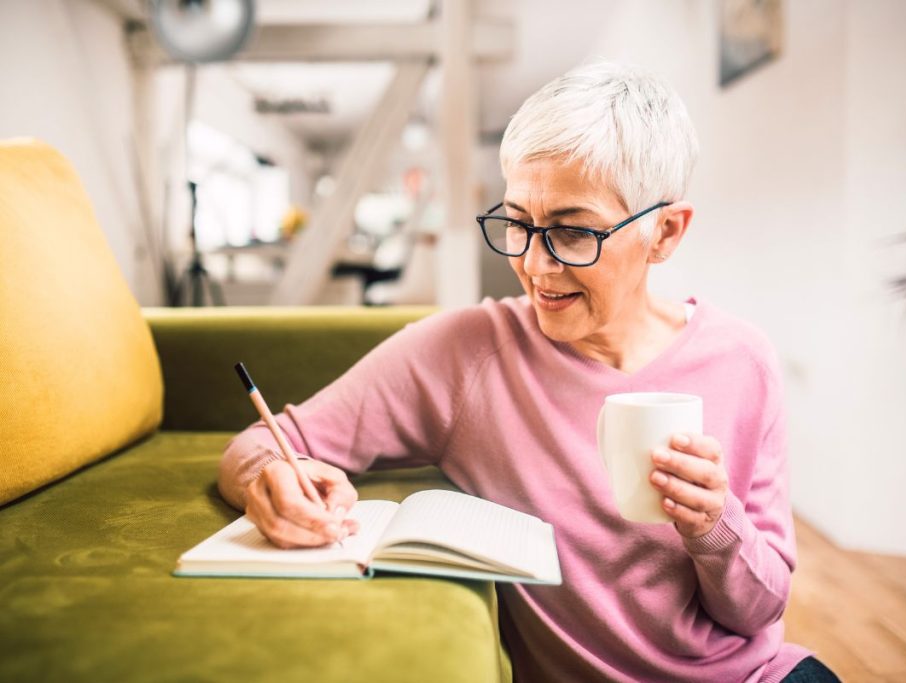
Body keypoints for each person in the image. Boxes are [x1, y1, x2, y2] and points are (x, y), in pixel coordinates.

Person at [218, 61, 840, 683]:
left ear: (666, 233)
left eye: (572, 232)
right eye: (517, 222)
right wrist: (268, 479)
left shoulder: (743, 361)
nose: (536, 265)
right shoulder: (464, 354)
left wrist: (714, 526)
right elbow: (264, 443)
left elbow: (760, 608)